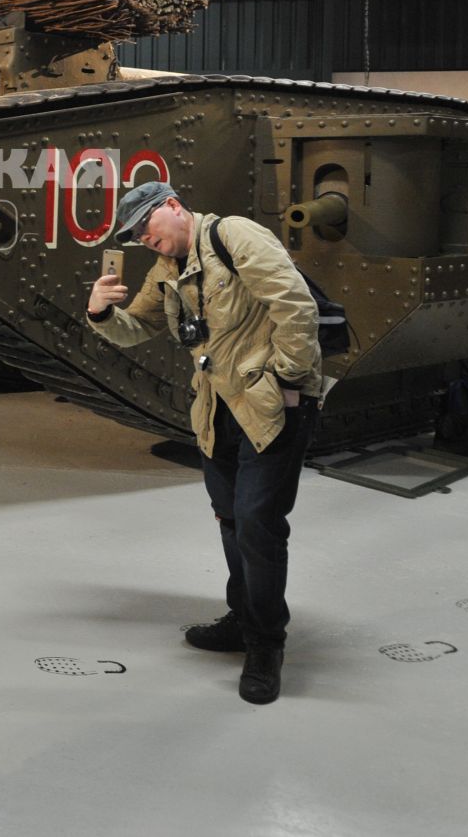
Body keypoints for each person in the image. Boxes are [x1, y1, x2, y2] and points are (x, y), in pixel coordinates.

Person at [85, 180, 323, 705]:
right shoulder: (167, 269)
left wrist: (286, 378)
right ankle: (243, 619)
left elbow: (296, 305)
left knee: (259, 524)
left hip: (269, 406)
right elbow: (136, 328)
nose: (144, 238)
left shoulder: (234, 236)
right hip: (216, 408)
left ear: (173, 207)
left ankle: (266, 643)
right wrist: (102, 312)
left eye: (147, 225)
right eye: (135, 235)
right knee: (231, 518)